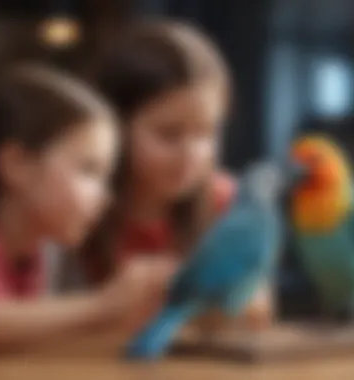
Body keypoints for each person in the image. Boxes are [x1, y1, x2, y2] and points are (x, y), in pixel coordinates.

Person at [80, 20, 274, 336]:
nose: (192, 155)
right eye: (169, 135)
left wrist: (215, 294)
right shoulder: (78, 204)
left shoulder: (227, 201)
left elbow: (260, 308)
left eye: (207, 133)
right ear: (113, 127)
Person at [0, 64, 148, 349]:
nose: (106, 197)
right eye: (89, 170)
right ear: (17, 165)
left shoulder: (43, 250)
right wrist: (104, 306)